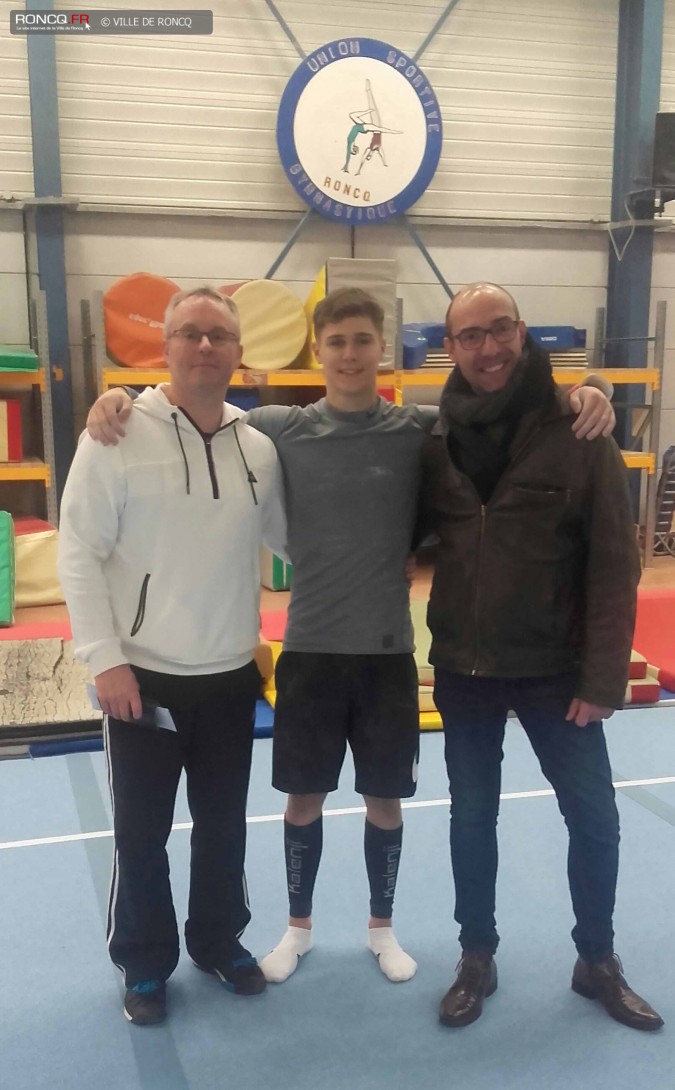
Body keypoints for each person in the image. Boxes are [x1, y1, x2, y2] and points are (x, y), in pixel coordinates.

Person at [86, 287, 615, 989]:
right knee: (301, 801)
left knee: (384, 802)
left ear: (381, 347)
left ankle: (381, 928)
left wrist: (588, 389)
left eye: (362, 340)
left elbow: (502, 407)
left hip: (388, 651)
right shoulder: (278, 427)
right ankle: (297, 928)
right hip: (308, 650)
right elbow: (195, 405)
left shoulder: (419, 428)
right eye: (335, 342)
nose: (349, 354)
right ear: (317, 349)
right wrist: (121, 399)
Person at [419, 282, 663, 1031]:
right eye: (470, 336)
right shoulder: (434, 438)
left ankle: (596, 960)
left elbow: (614, 564)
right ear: (450, 349)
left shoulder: (579, 429)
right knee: (471, 819)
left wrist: (602, 677)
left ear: (521, 333)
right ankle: (476, 957)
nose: (488, 348)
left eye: (499, 330)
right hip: (465, 668)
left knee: (594, 820)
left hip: (558, 673)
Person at [57, 287, 287, 1026]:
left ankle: (218, 941)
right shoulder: (116, 435)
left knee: (224, 827)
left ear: (239, 351)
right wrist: (104, 659)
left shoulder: (259, 448)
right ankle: (145, 963)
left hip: (229, 676)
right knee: (141, 834)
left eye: (219, 334)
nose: (205, 346)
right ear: (166, 347)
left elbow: (295, 540)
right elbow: (77, 552)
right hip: (142, 677)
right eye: (190, 333)